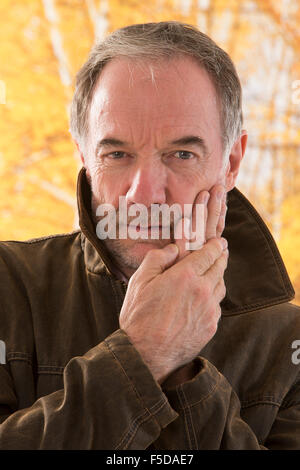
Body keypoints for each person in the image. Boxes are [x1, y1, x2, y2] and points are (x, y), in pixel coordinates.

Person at [0, 21, 299, 450]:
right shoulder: (9, 288)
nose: (143, 194)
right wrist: (143, 354)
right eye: (117, 154)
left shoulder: (290, 344)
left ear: (231, 162)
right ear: (84, 157)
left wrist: (182, 371)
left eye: (181, 153)